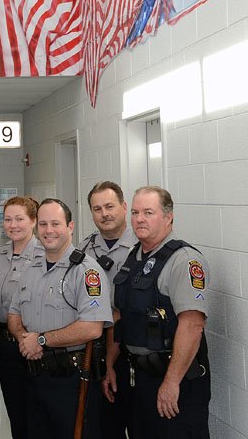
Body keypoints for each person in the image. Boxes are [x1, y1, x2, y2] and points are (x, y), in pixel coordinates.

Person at [7, 197, 112, 438]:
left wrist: (40, 341)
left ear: (70, 227)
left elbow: (92, 328)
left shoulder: (86, 271)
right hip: (34, 375)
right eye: (43, 225)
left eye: (55, 223)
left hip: (71, 380)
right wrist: (25, 340)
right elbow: (13, 313)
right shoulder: (30, 269)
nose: (48, 230)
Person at [111, 186, 210, 438]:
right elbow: (120, 316)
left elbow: (192, 326)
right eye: (135, 212)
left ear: (168, 217)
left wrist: (171, 382)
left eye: (148, 212)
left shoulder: (184, 260)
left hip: (173, 380)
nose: (139, 218)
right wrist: (110, 364)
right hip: (138, 379)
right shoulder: (134, 257)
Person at [83, 180, 138, 438]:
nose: (104, 214)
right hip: (95, 352)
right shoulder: (82, 251)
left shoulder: (143, 246)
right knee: (104, 427)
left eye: (109, 206)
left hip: (133, 351)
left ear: (124, 207)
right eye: (97, 209)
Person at [0, 196, 42, 438]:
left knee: (37, 416)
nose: (13, 224)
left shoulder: (44, 255)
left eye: (20, 219)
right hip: (6, 347)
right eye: (8, 219)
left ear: (33, 221)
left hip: (34, 347)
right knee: (16, 415)